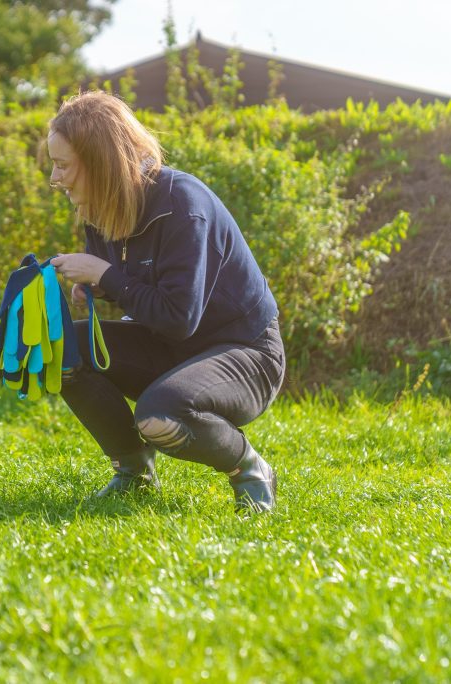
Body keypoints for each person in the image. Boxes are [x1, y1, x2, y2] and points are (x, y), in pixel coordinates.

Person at [47, 91, 285, 512]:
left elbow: (178, 316)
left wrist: (104, 275)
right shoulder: (101, 211)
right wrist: (96, 287)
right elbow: (135, 287)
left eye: (63, 164)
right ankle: (134, 471)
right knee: (61, 350)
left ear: (100, 162)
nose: (55, 178)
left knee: (160, 418)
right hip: (171, 347)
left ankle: (250, 468)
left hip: (247, 353)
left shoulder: (182, 205)